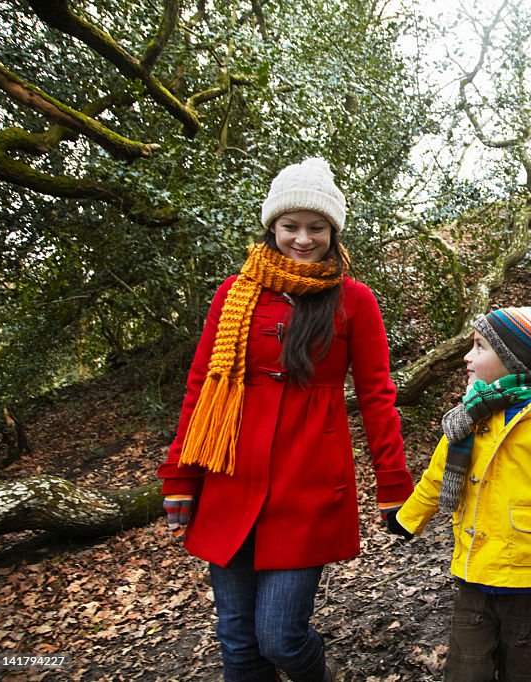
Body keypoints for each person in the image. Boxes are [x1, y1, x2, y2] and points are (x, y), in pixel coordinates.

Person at [157, 158, 414, 682]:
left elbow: (376, 396)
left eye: (316, 228)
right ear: (271, 226)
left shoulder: (354, 300)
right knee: (237, 641)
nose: (302, 239)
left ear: (333, 230)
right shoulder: (234, 294)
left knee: (280, 637)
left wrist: (393, 483)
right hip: (228, 478)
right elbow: (201, 387)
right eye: (290, 226)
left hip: (309, 483)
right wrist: (180, 477)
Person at [385, 296, 531, 682]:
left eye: (479, 347)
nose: (467, 358)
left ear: (515, 359)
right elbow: (439, 474)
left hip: (530, 580)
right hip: (473, 571)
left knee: (521, 669)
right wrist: (408, 518)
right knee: (465, 670)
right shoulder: (470, 416)